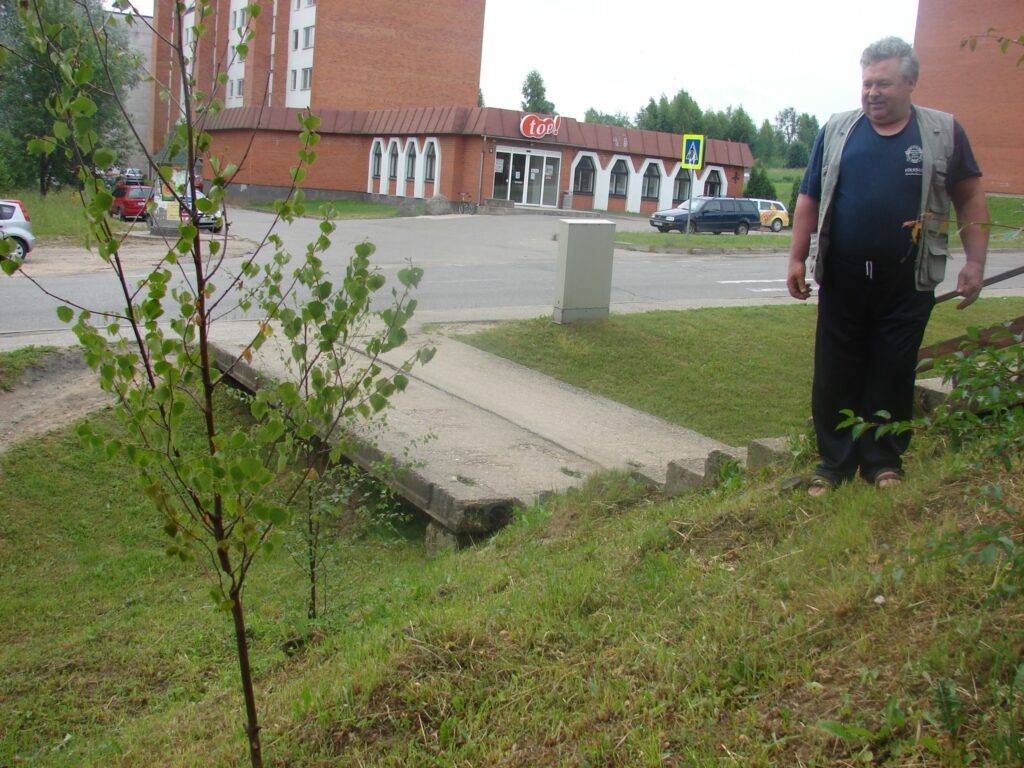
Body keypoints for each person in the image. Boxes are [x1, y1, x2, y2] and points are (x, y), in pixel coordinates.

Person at [786, 36, 989, 496]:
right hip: (843, 277)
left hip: (908, 280)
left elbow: (970, 196)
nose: (872, 93)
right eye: (867, 83)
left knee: (893, 370)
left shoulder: (942, 132)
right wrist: (797, 256)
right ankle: (833, 465)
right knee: (835, 371)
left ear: (910, 82)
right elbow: (809, 196)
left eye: (884, 83)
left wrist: (975, 262)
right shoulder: (838, 130)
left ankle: (882, 462)